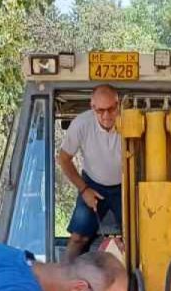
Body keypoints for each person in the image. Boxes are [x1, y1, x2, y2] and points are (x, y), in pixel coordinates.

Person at [57, 84, 122, 261]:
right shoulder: (81, 124)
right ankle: (64, 278)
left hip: (125, 186)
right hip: (92, 184)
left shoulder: (131, 122)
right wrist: (84, 190)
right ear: (92, 107)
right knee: (79, 238)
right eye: (101, 110)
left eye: (111, 109)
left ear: (118, 104)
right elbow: (63, 159)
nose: (107, 116)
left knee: (138, 238)